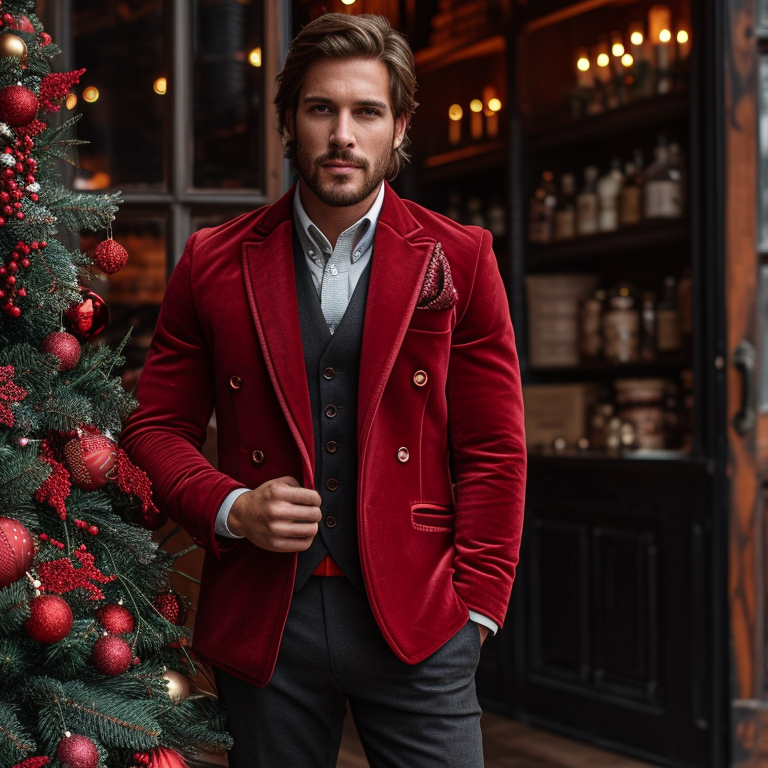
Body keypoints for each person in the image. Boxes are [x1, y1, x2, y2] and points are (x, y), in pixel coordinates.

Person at [121, 12, 526, 768]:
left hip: (420, 614)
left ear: (398, 127)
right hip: (268, 620)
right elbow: (155, 429)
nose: (343, 133)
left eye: (366, 111)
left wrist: (476, 609)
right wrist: (233, 507)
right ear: (288, 122)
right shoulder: (212, 262)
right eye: (321, 109)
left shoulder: (463, 259)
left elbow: (495, 448)